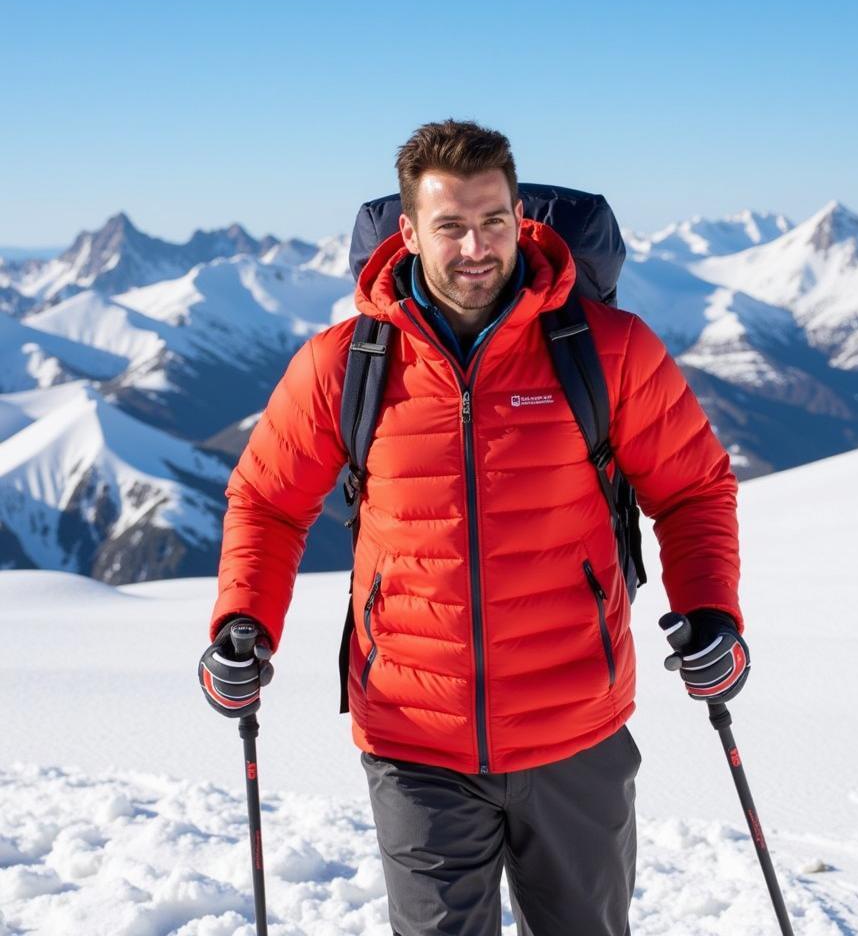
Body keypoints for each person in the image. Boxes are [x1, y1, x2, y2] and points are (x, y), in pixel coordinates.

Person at [199, 119, 749, 936]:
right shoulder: (347, 364)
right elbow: (269, 503)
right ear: (410, 233)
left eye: (493, 221)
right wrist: (243, 623)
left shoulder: (608, 351)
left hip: (576, 731)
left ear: (520, 216)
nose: (474, 247)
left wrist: (713, 614)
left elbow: (696, 490)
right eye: (449, 225)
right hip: (413, 739)